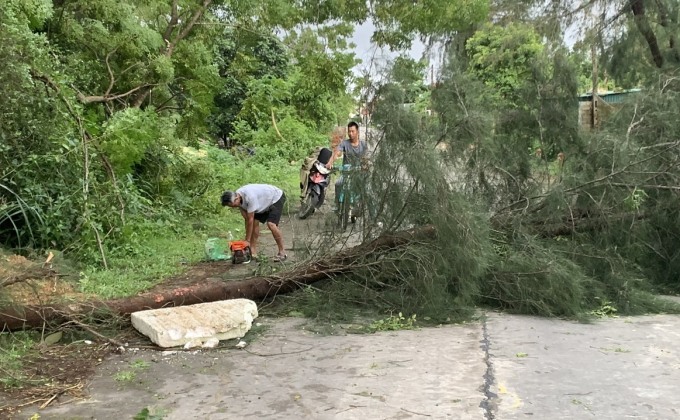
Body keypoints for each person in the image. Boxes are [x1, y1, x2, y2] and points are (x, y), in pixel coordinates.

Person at [221, 184, 287, 262]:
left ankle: (282, 252)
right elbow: (247, 220)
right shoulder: (238, 199)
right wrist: (246, 241)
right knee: (255, 223)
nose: (234, 207)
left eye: (234, 205)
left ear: (236, 198)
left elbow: (250, 220)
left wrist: (247, 241)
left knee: (271, 224)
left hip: (275, 197)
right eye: (231, 206)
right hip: (261, 202)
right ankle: (253, 251)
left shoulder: (250, 197)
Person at [325, 121, 368, 209]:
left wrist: (365, 165)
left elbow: (365, 158)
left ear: (357, 132)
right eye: (349, 131)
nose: (350, 134)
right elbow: (337, 153)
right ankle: (337, 204)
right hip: (346, 173)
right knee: (338, 184)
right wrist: (330, 163)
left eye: (353, 131)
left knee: (367, 190)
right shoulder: (345, 143)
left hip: (358, 173)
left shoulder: (363, 144)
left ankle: (374, 218)